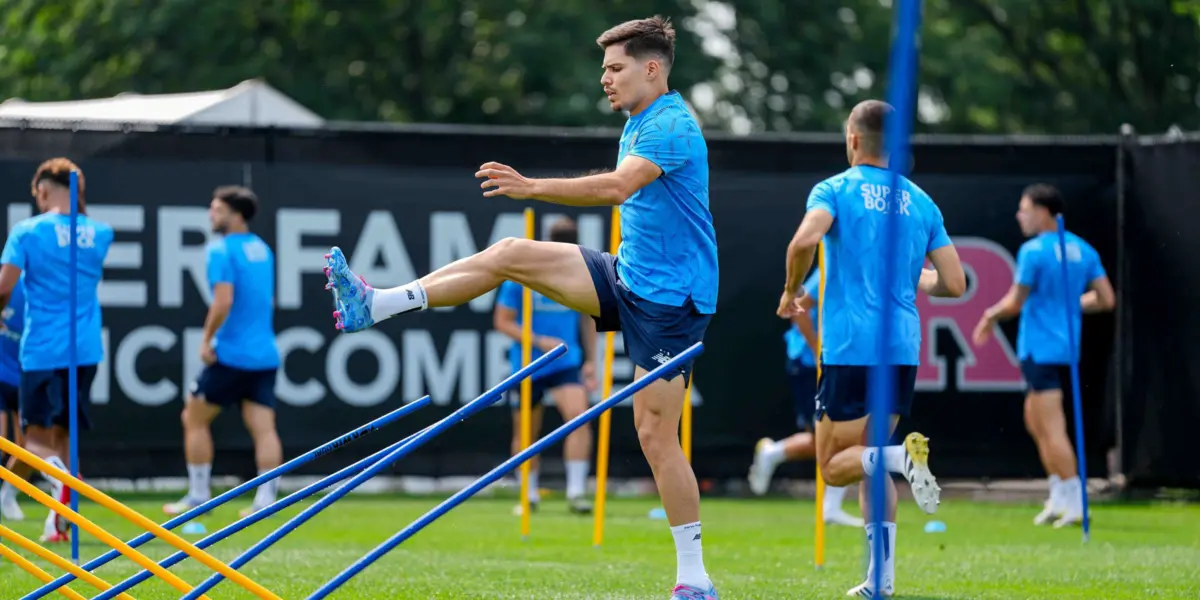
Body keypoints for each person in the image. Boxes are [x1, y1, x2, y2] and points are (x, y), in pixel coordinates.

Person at [322, 16, 720, 600]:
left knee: (655, 437)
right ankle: (377, 304)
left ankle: (694, 577)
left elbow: (615, 189)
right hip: (627, 276)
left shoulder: (673, 125)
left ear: (651, 68)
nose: (604, 80)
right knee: (508, 252)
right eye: (604, 69)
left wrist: (532, 186)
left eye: (615, 68)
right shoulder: (639, 119)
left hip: (674, 302)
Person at [777, 100, 966, 597]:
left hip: (849, 347)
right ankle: (879, 582)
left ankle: (902, 460)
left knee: (833, 467)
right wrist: (916, 277)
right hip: (902, 348)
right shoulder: (921, 201)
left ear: (853, 138)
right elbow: (955, 282)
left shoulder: (835, 188)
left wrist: (791, 290)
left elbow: (802, 243)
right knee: (869, 459)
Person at [971, 183, 1114, 529]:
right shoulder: (1083, 249)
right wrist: (1071, 306)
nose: (1020, 216)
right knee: (1034, 420)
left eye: (1025, 209)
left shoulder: (1033, 251)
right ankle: (1058, 495)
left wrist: (989, 316)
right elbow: (1105, 299)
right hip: (1064, 349)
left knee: (1052, 428)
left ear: (1043, 211)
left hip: (1039, 348)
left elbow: (1015, 302)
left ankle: (1077, 501)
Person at [0, 158, 114, 543]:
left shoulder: (28, 231)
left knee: (33, 440)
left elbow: (4, 288)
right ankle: (57, 522)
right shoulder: (100, 234)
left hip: (43, 347)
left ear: (43, 190)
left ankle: (62, 483)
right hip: (84, 349)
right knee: (67, 438)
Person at [163, 186, 283, 519]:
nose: (211, 215)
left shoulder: (220, 250)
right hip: (264, 354)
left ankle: (199, 496)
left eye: (218, 209)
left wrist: (206, 340)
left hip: (231, 355)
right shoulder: (263, 249)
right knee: (263, 426)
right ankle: (267, 500)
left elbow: (223, 301)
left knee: (193, 417)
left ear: (237, 215)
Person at [494, 217, 598, 517]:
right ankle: (528, 494)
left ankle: (577, 491)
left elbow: (589, 319)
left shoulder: (579, 275)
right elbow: (502, 321)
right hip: (528, 364)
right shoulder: (523, 275)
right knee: (527, 431)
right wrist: (538, 340)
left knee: (579, 418)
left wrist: (592, 361)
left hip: (566, 361)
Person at [748, 268, 862, 527]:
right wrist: (817, 347)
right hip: (810, 364)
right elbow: (798, 309)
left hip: (837, 362)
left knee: (832, 437)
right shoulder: (832, 266)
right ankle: (829, 507)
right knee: (833, 437)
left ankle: (773, 453)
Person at [0, 276, 26, 520]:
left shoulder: (37, 288)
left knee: (25, 448)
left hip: (22, 376)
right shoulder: (6, 283)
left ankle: (7, 495)